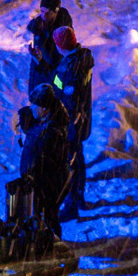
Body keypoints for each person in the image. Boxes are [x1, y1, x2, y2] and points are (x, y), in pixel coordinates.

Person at [49, 24, 95, 221]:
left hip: (70, 123)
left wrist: (65, 120)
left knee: (70, 162)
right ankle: (79, 196)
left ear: (61, 46)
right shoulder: (79, 59)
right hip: (78, 120)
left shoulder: (72, 69)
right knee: (78, 158)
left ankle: (71, 204)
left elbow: (70, 98)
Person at [15, 99, 71, 234]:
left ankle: (54, 245)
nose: (33, 109)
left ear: (45, 108)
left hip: (49, 182)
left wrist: (37, 178)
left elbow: (48, 158)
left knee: (48, 215)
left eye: (36, 106)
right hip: (38, 179)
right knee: (38, 215)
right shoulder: (44, 123)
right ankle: (45, 242)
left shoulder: (53, 131)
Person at [24, 0, 66, 101]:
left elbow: (54, 64)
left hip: (50, 80)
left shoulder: (62, 34)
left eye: (48, 13)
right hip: (39, 71)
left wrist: (41, 42)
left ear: (56, 12)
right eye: (42, 11)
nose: (44, 16)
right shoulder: (42, 24)